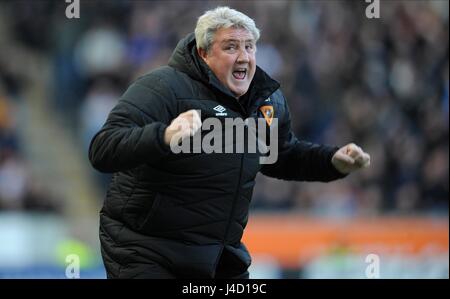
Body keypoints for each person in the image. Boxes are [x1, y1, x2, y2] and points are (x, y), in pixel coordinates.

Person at [88, 6, 370, 279]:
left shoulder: (267, 100)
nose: (244, 56)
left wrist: (331, 161)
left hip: (217, 256)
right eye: (231, 47)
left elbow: (280, 155)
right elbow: (103, 149)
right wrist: (163, 137)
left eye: (249, 46)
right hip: (146, 249)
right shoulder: (162, 88)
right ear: (203, 52)